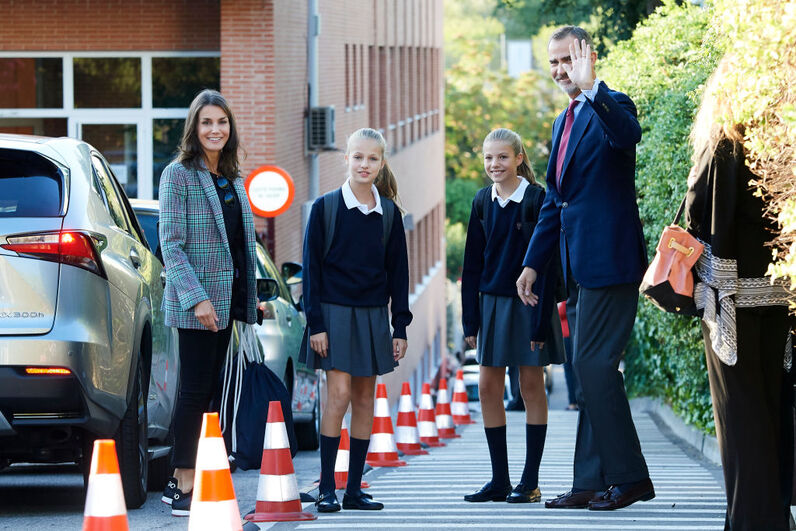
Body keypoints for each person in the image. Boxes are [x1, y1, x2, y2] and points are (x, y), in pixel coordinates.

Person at [516, 26, 655, 511]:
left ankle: (630, 477)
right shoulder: (562, 122)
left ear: (587, 58)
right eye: (552, 63)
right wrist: (534, 262)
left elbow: (628, 135)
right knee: (588, 369)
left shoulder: (612, 104)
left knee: (592, 367)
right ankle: (591, 481)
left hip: (613, 260)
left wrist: (594, 88)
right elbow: (556, 199)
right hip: (578, 266)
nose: (559, 71)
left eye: (567, 61)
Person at [685, 55, 794, 531]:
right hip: (781, 299)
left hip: (729, 304)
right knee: (775, 408)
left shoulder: (721, 148)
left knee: (740, 416)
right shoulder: (782, 148)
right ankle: (775, 513)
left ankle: (751, 519)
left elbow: (699, 221)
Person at [158, 89, 258, 516]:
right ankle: (182, 485)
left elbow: (239, 245)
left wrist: (251, 299)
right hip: (196, 302)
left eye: (221, 122)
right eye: (206, 123)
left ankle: (199, 476)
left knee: (213, 393)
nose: (215, 130)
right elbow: (171, 245)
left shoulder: (233, 176)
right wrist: (196, 298)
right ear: (194, 129)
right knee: (194, 390)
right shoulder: (178, 174)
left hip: (227, 301)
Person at [301, 127, 412, 513]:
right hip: (332, 315)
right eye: (358, 157)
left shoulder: (390, 215)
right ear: (345, 158)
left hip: (373, 317)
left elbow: (399, 274)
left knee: (365, 399)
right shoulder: (326, 208)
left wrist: (399, 327)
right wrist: (315, 323)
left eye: (373, 158)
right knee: (340, 395)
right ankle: (327, 488)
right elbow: (311, 271)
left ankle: (353, 490)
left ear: (382, 164)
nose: (365, 164)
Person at [461, 128, 562, 504]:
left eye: (502, 157)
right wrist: (470, 321)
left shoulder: (537, 200)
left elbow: (548, 267)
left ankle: (530, 482)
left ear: (519, 158)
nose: (494, 165)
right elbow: (471, 266)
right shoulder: (481, 202)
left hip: (529, 305)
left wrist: (539, 324)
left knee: (530, 385)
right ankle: (499, 480)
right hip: (490, 304)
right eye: (488, 158)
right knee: (488, 386)